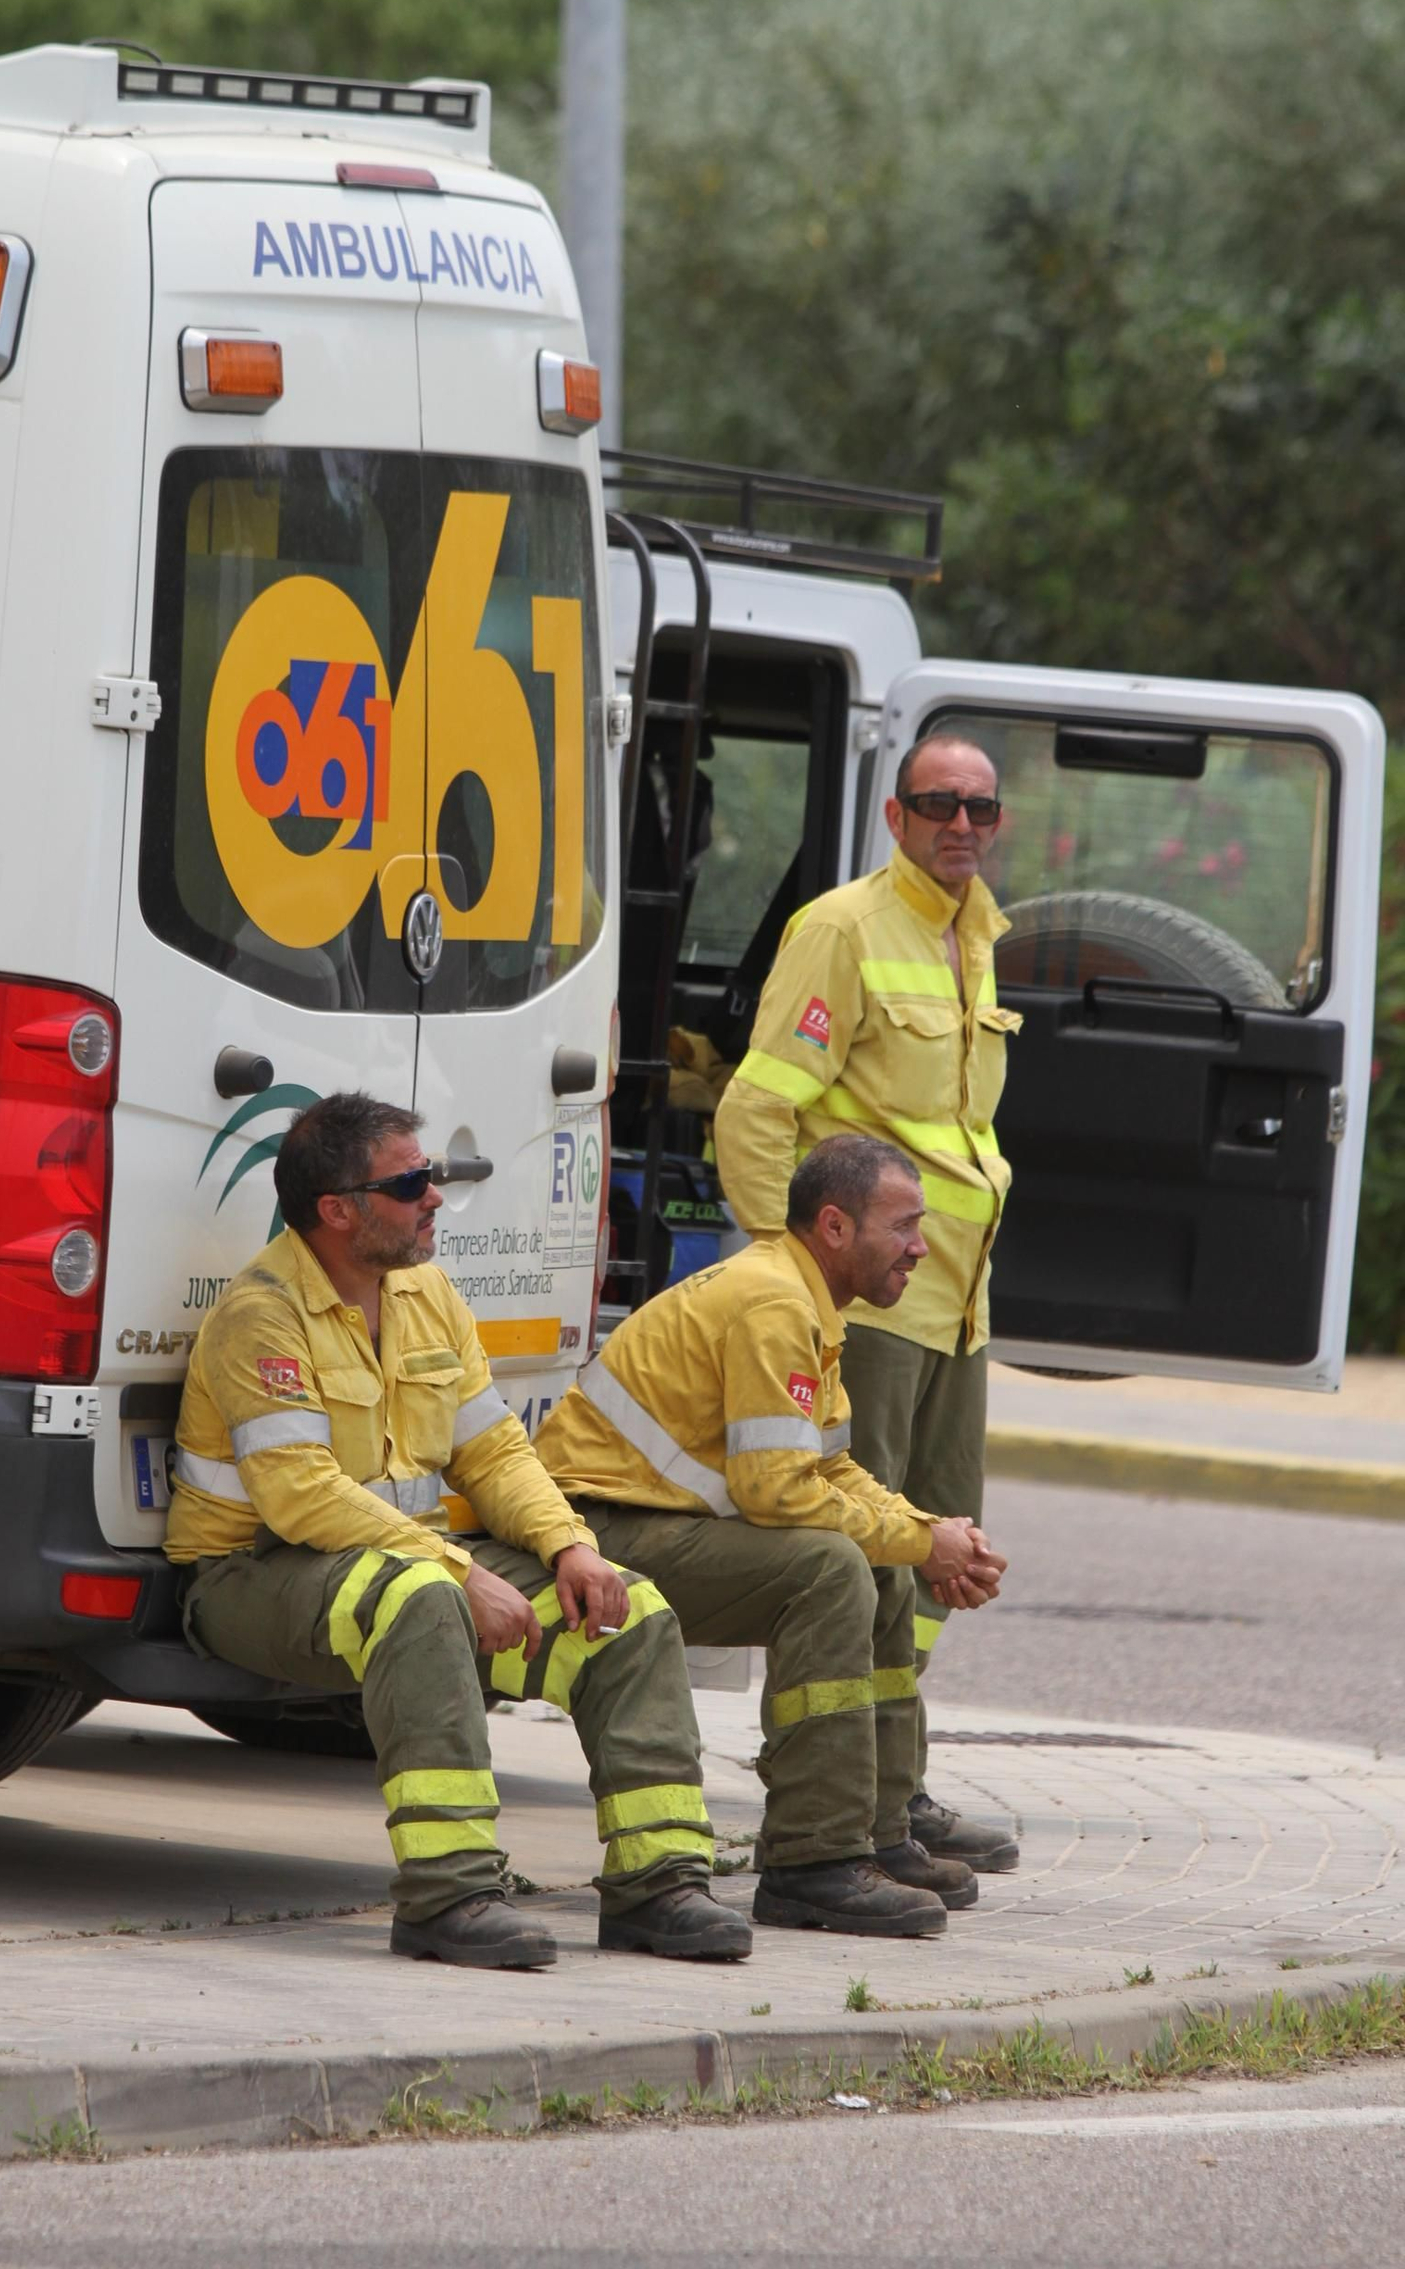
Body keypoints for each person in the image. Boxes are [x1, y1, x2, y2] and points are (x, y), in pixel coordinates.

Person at [164, 1089, 751, 1972]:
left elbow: (495, 1452)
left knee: (628, 1614)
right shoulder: (261, 1315)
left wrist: (569, 1548)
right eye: (411, 1181)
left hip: (407, 1564)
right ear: (337, 1211)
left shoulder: (427, 1293)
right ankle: (450, 1896)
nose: (436, 1193)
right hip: (257, 1576)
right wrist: (458, 1569)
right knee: (423, 1600)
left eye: (429, 1174)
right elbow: (302, 1499)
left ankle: (658, 1884)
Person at [535, 1133, 1008, 1938]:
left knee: (878, 1565)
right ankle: (811, 1864)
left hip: (652, 1523)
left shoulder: (801, 1298)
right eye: (902, 1227)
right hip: (600, 1536)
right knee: (830, 1570)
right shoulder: (775, 1304)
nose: (920, 1248)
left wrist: (925, 1535)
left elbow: (828, 1468)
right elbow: (778, 1490)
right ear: (833, 1226)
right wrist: (924, 1544)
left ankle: (879, 1834)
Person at [713, 734, 1021, 1874]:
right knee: (872, 1555)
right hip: (868, 1308)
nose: (961, 825)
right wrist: (782, 1279)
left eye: (980, 809)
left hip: (955, 1306)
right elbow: (754, 1111)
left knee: (938, 1553)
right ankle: (853, 1816)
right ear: (895, 815)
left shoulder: (973, 934)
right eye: (938, 804)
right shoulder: (842, 929)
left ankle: (894, 1782)